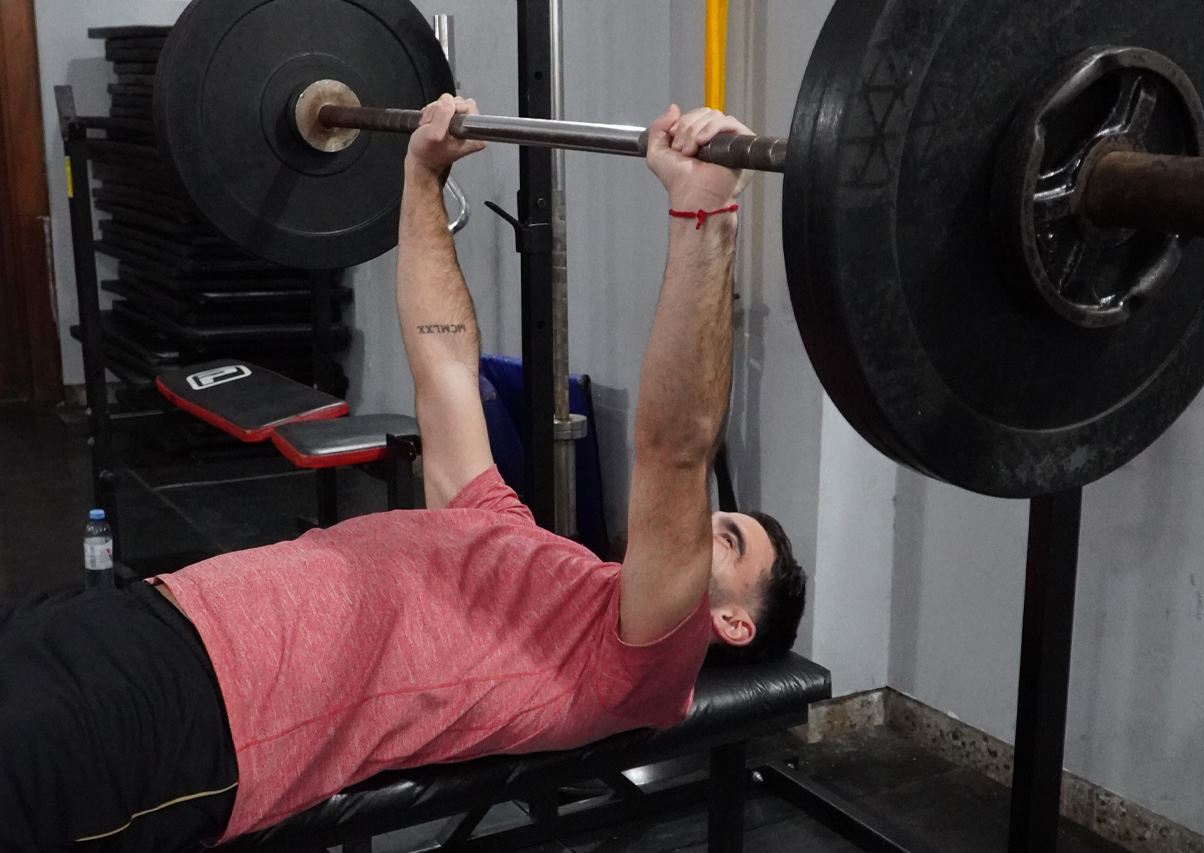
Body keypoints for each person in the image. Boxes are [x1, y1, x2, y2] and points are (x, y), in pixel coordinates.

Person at [0, 95, 806, 852]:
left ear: (733, 623)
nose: (706, 524)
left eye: (730, 540)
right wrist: (422, 174)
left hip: (202, 715)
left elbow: (675, 450)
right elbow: (444, 364)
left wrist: (704, 212)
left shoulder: (636, 665)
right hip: (152, 613)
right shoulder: (506, 527)